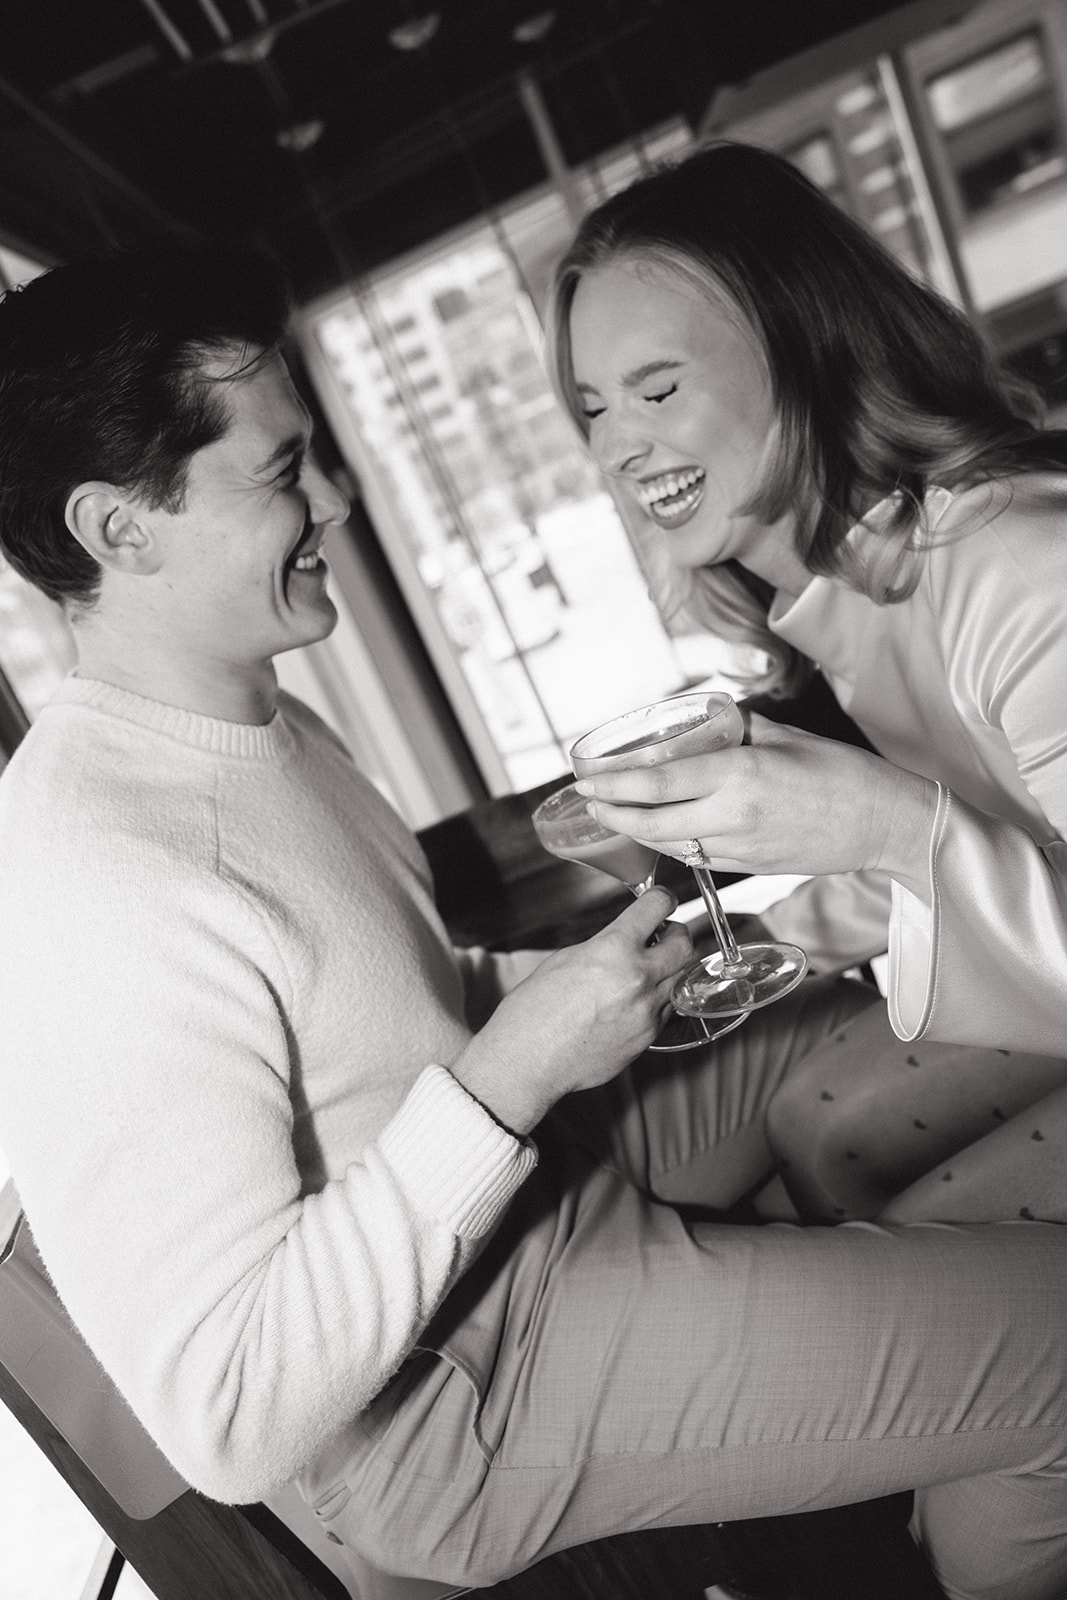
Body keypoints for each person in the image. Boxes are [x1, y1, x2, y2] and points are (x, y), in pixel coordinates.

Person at [0, 245, 1065, 1600]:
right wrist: (517, 1066)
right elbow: (231, 1411)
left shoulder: (249, 714)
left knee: (918, 1001)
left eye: (318, 453)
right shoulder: (88, 876)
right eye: (280, 474)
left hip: (534, 1174)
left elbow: (374, 1015)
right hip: (458, 1397)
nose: (338, 497)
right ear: (116, 528)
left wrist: (599, 973)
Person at [549, 139, 1067, 1226]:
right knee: (810, 1128)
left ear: (804, 348)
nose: (620, 449)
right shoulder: (847, 585)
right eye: (595, 408)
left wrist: (883, 824)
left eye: (656, 388)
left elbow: (931, 843)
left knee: (914, 1242)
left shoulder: (1022, 575)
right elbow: (987, 840)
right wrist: (758, 939)